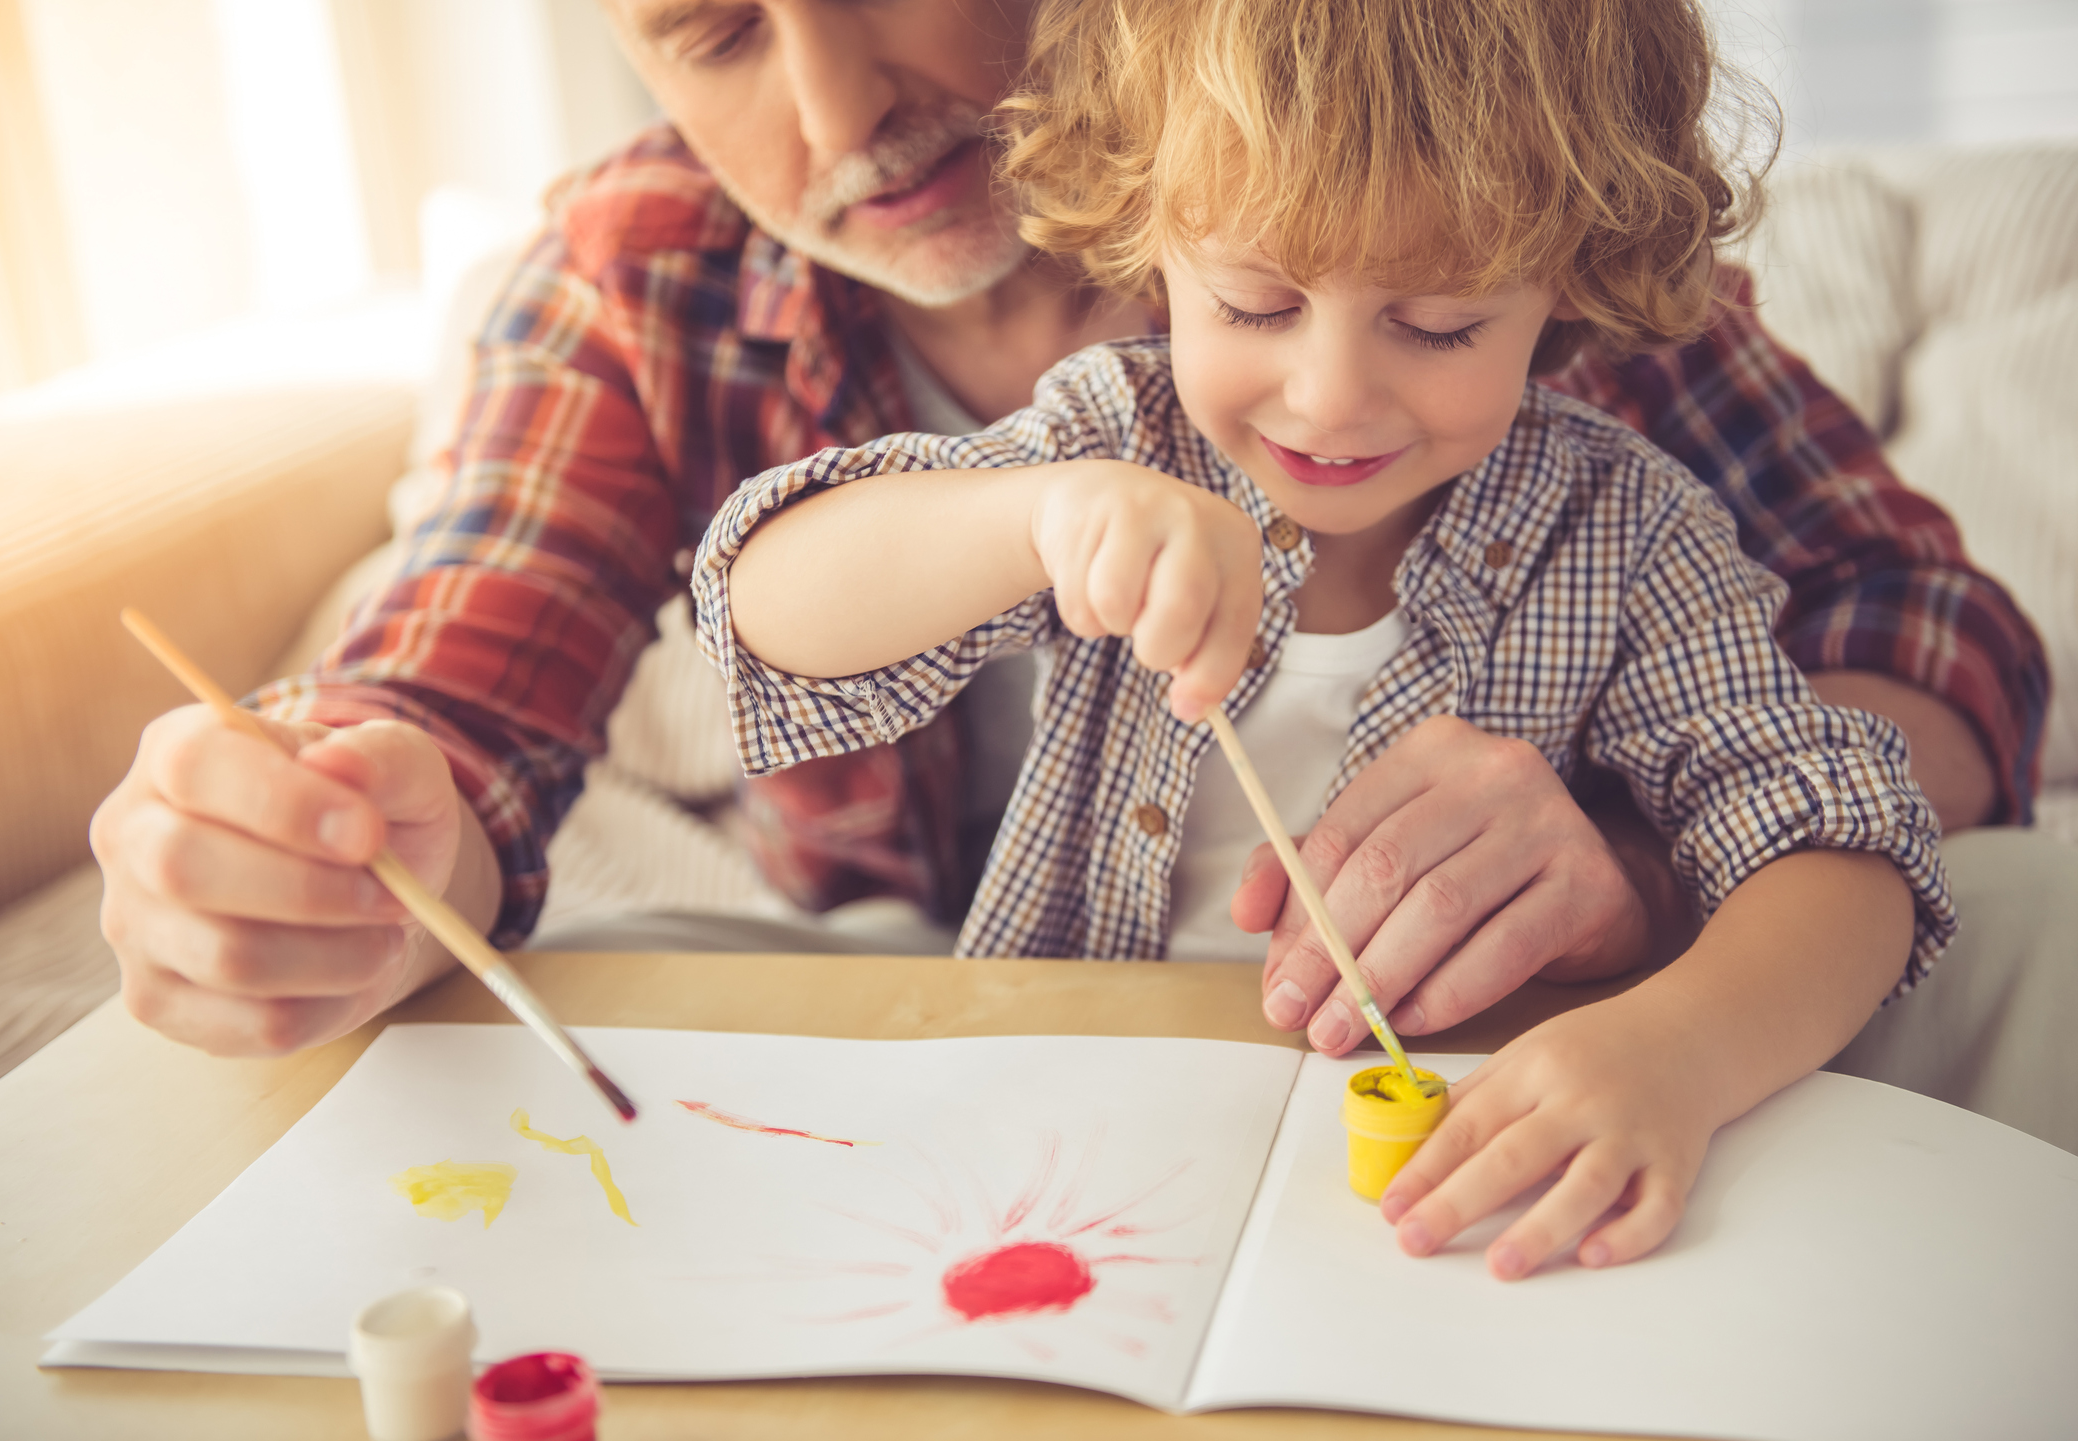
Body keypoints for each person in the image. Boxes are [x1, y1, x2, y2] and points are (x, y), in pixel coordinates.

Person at [86, 0, 2071, 1154]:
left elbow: (1901, 653)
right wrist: (327, 831)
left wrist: (1646, 893)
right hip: (997, 1048)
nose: (836, 107)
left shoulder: (1453, 142)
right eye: (703, 25)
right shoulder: (714, 300)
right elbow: (488, 698)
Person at [690, 0, 1961, 1277]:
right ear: (1152, 239)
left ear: (1571, 270)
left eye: (1439, 325)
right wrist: (1029, 518)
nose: (1331, 397)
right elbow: (760, 610)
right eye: (1252, 303)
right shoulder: (1109, 440)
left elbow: (1848, 851)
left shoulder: (1631, 532)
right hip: (1079, 1143)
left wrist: (1679, 1051)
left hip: (1456, 1166)